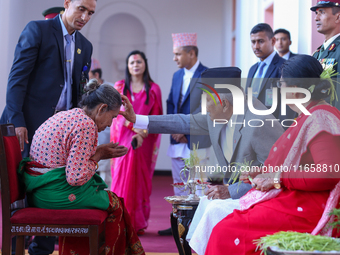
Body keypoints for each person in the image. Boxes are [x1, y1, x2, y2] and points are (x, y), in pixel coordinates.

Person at [203, 55, 340, 255]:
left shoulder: (321, 118)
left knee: (226, 230)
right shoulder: (308, 115)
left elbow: (328, 173)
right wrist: (261, 172)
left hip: (309, 205)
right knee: (222, 221)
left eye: (282, 84)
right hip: (296, 196)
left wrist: (277, 178)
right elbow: (299, 165)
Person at [0, 1, 96, 253]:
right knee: (20, 190)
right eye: (81, 9)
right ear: (67, 4)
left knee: (54, 187)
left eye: (91, 13)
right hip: (27, 127)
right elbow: (16, 79)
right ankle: (13, 248)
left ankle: (41, 249)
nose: (85, 17)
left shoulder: (85, 46)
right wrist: (17, 122)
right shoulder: (37, 31)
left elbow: (78, 92)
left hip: (60, 134)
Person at [18, 79, 144, 255]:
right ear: (101, 109)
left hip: (38, 189)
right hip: (52, 193)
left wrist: (98, 151)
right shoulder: (87, 126)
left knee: (111, 199)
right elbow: (75, 177)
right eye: (112, 117)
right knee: (116, 204)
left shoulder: (69, 115)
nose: (110, 124)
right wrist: (99, 155)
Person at [159, 32, 212, 236]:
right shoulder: (176, 75)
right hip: (176, 138)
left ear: (191, 53)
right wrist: (174, 128)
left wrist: (185, 131)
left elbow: (207, 109)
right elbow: (171, 103)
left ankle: (198, 228)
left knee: (199, 186)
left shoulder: (207, 74)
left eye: (178, 54)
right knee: (179, 185)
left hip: (197, 139)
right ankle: (180, 225)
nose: (175, 59)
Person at [110, 50, 163, 235]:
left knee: (141, 181)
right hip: (124, 136)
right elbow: (115, 114)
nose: (135, 65)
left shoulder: (154, 89)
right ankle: (120, 218)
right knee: (124, 172)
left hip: (145, 140)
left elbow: (157, 117)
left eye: (139, 62)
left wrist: (141, 134)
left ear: (145, 64)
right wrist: (135, 130)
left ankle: (137, 222)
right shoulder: (120, 87)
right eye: (132, 62)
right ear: (127, 66)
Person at [246, 23, 296, 123]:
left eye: (260, 41)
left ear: (273, 41)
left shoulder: (285, 66)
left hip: (273, 129)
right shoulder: (252, 69)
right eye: (253, 42)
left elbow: (288, 105)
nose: (256, 46)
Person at [89, 58, 115, 188]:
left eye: (88, 74)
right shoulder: (86, 90)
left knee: (106, 174)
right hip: (89, 138)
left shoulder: (111, 89)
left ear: (96, 75)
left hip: (106, 136)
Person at [311, 0, 340, 110]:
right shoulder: (318, 53)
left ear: (338, 17)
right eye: (316, 13)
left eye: (322, 12)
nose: (316, 18)